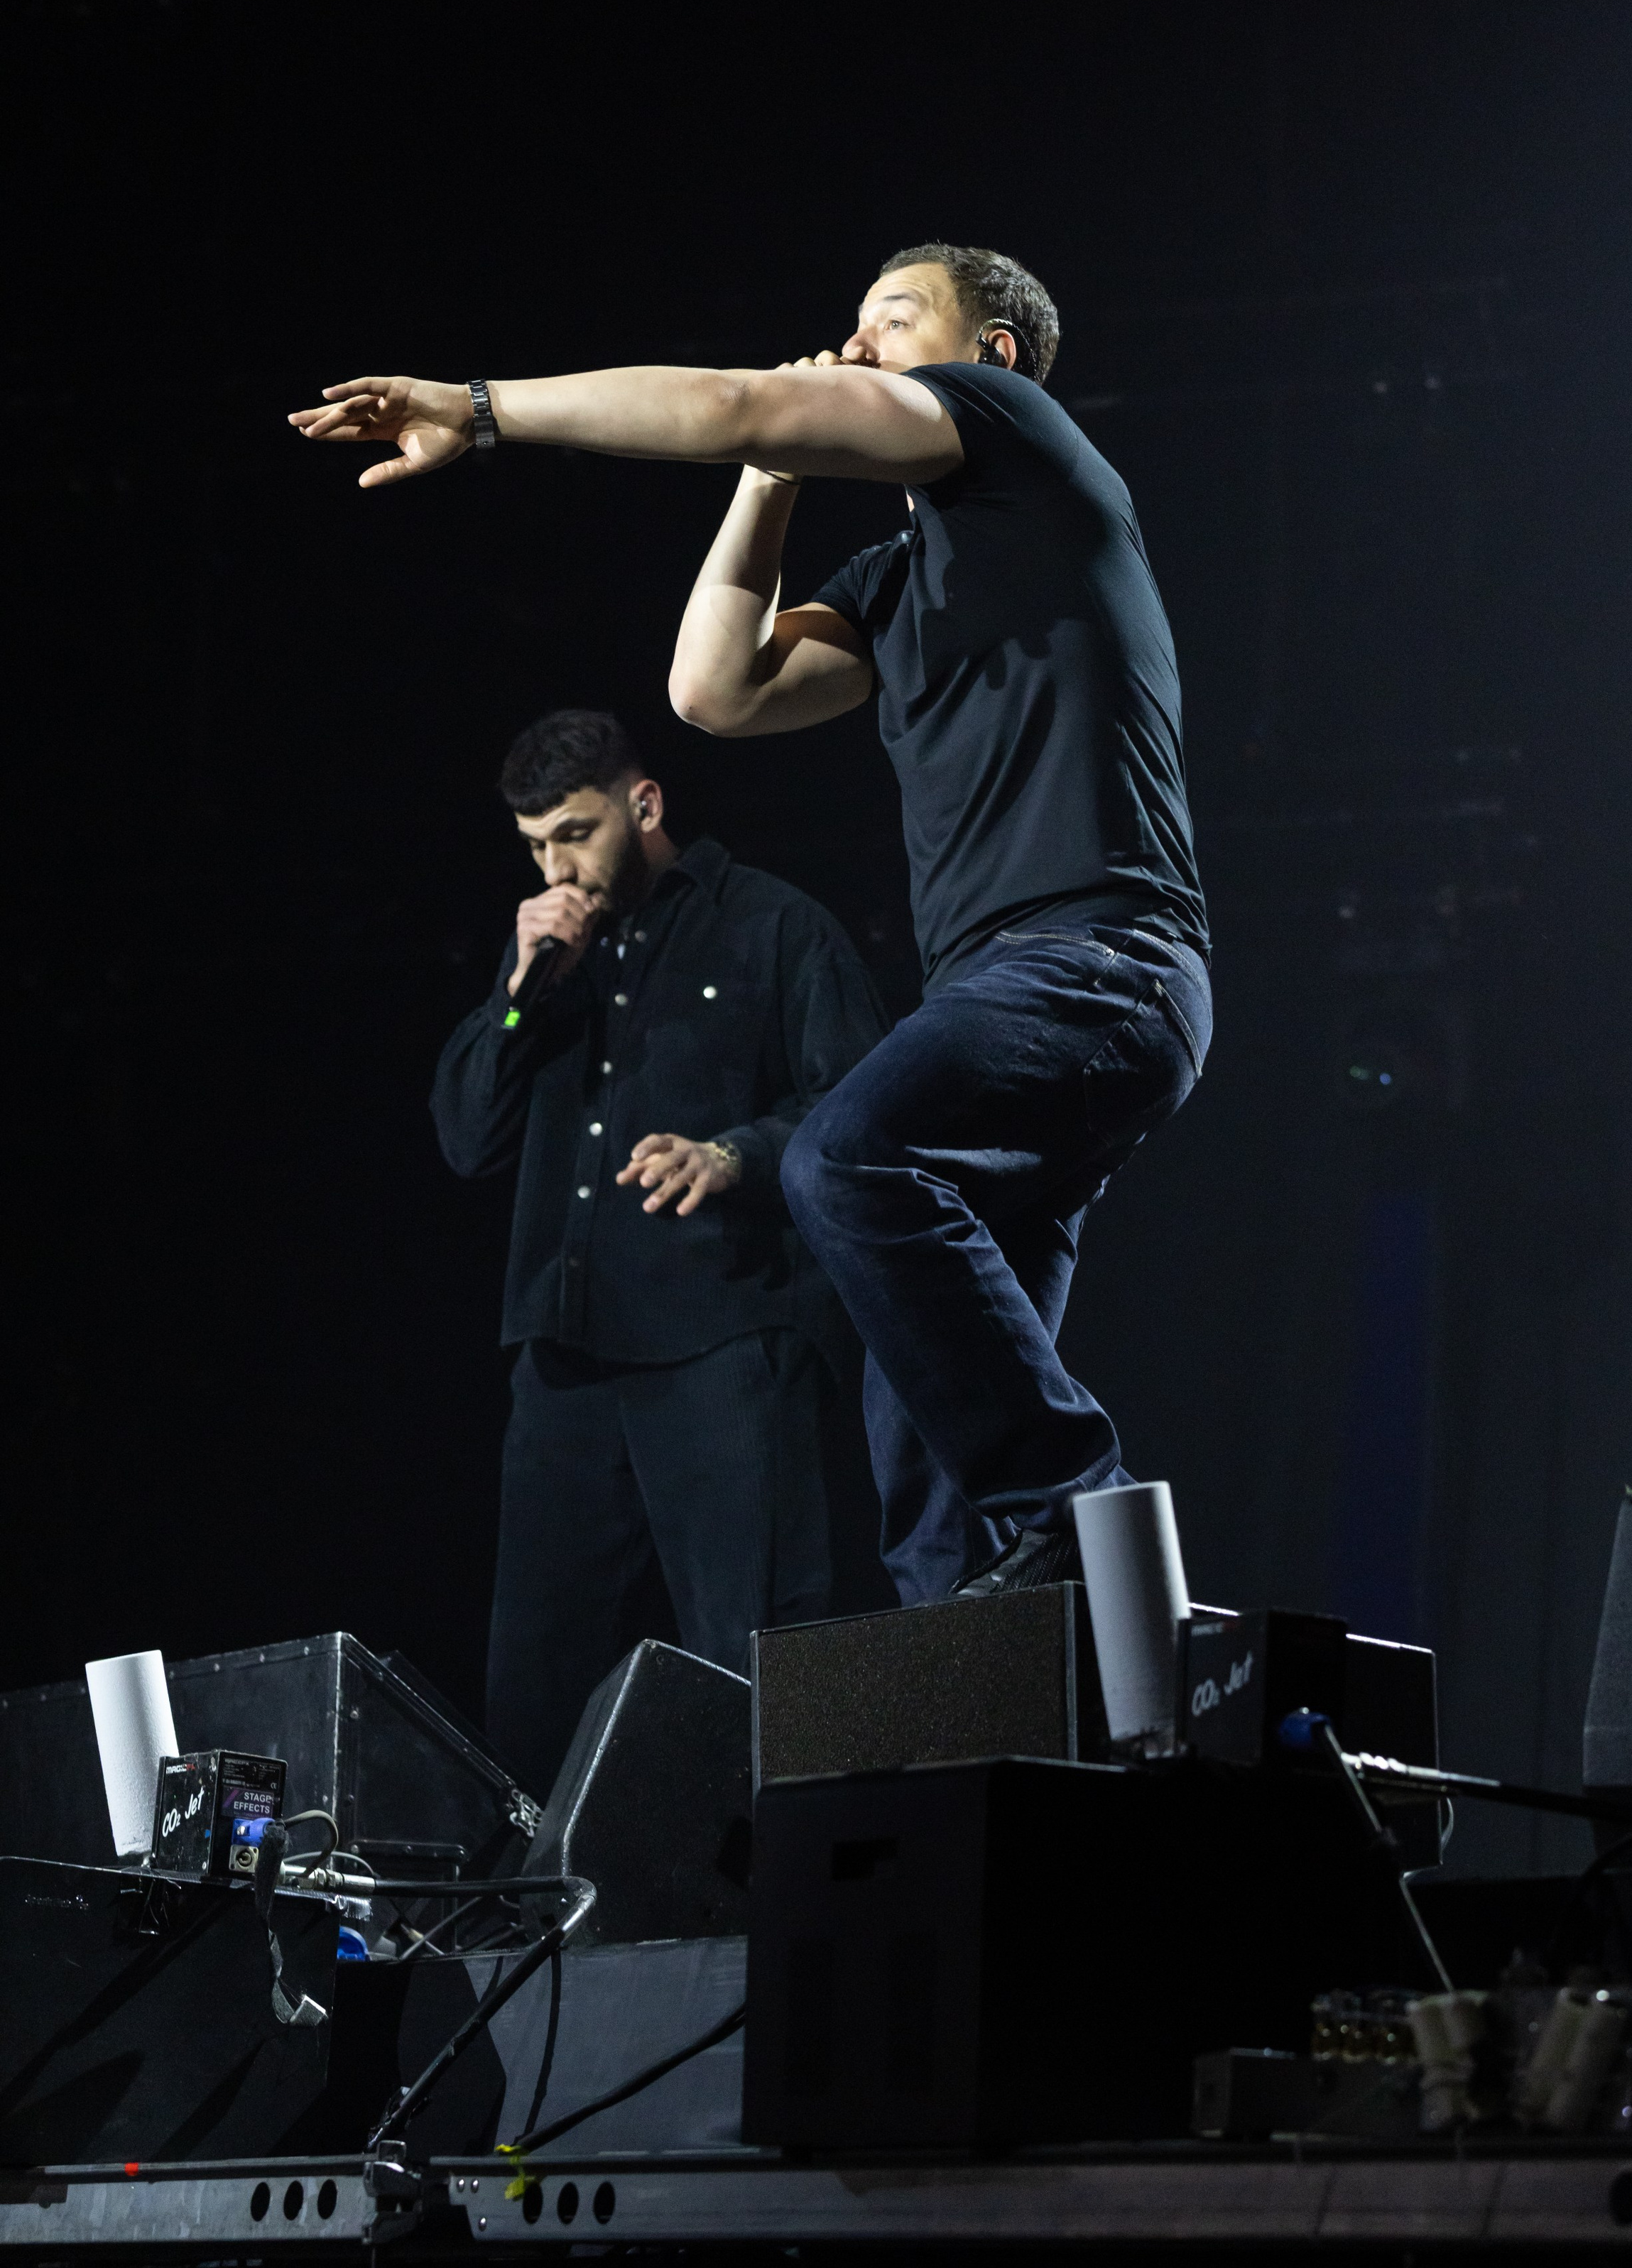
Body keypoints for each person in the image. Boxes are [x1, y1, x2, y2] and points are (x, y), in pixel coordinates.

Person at [293, 239, 1211, 1606]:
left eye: (890, 321)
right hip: (1006, 996)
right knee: (921, 1433)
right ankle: (979, 1716)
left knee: (843, 1163)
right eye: (849, 324)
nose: (852, 346)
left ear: (989, 354)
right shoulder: (905, 581)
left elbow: (731, 400)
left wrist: (481, 408)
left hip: (1097, 963)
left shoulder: (1021, 440)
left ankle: (1091, 1523)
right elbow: (713, 689)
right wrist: (770, 481)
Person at [430, 706, 886, 1794]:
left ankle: (787, 1907)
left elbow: (862, 1109)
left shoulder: (775, 927)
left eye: (576, 833)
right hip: (567, 1350)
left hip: (721, 1340)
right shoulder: (543, 960)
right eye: (536, 844)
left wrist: (736, 1154)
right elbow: (464, 1137)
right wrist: (514, 992)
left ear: (645, 805)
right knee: (535, 1673)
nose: (558, 866)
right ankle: (535, 1924)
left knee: (757, 1649)